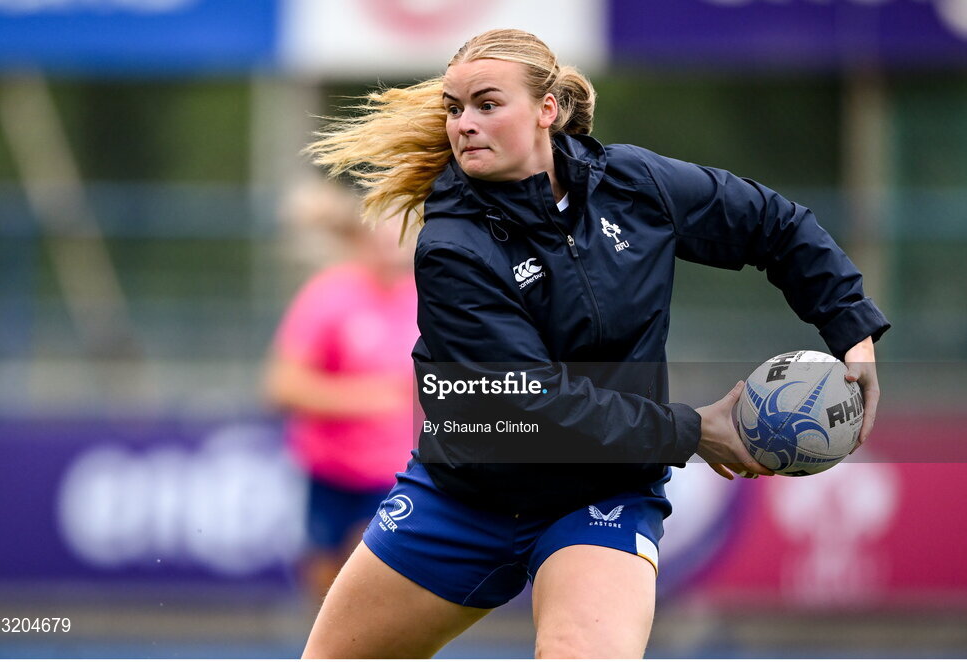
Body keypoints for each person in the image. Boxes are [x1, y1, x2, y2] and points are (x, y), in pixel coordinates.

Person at [299, 29, 889, 658]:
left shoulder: (634, 186)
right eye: (455, 108)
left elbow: (774, 225)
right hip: (465, 500)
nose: (464, 124)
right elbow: (533, 403)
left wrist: (851, 327)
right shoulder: (453, 245)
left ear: (547, 110)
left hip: (602, 496)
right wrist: (692, 431)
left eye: (487, 105)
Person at [263, 184, 417, 601]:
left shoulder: (426, 299)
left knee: (370, 578)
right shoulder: (329, 295)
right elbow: (281, 387)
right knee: (327, 588)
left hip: (393, 474)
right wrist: (366, 399)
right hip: (328, 469)